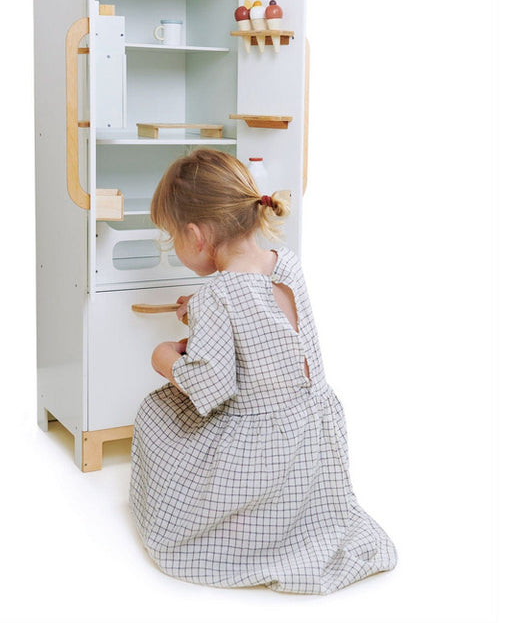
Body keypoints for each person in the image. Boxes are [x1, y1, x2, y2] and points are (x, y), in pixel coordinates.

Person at [129, 149, 397, 594]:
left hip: (262, 453)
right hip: (313, 433)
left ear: (195, 236)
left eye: (172, 237)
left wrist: (164, 357)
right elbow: (263, 324)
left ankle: (216, 524)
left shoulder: (217, 296)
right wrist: (200, 313)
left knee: (157, 415)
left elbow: (211, 387)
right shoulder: (285, 263)